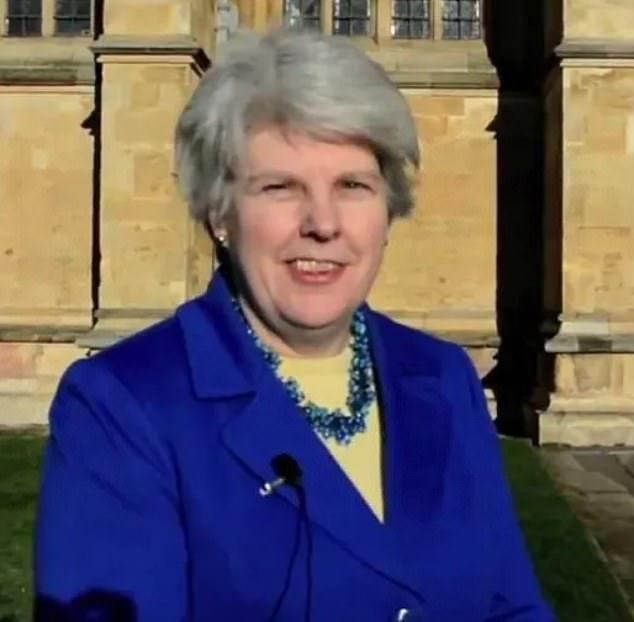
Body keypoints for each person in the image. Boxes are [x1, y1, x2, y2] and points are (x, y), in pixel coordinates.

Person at [34, 28, 554, 622]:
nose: (323, 224)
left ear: (388, 210)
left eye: (352, 186)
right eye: (281, 187)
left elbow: (511, 605)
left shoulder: (443, 375)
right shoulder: (123, 405)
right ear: (220, 214)